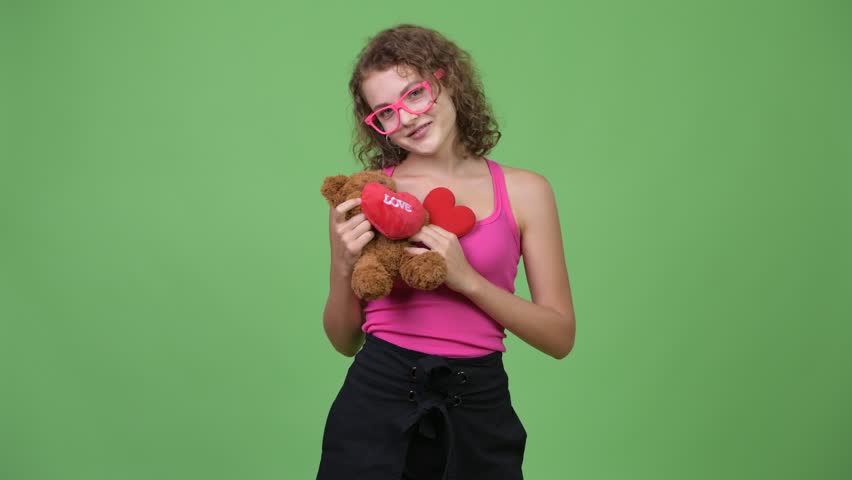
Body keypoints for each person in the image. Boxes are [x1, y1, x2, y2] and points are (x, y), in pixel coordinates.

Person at [317, 24, 575, 480]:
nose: (407, 118)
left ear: (448, 79)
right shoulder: (371, 195)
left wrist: (468, 280)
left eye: (414, 94)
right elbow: (344, 341)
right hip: (374, 403)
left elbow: (559, 337)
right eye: (386, 113)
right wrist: (342, 268)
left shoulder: (526, 191)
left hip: (477, 406)